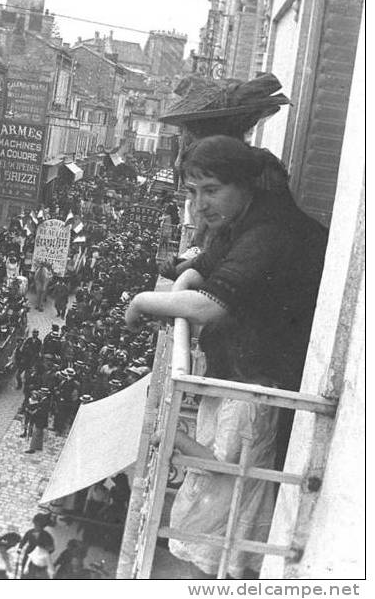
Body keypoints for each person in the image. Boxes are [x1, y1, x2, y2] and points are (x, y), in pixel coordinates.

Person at [124, 136, 327, 460]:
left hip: (275, 381)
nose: (200, 205)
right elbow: (199, 271)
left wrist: (140, 302)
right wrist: (178, 297)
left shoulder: (268, 230)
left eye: (212, 190)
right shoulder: (243, 218)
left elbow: (208, 306)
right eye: (193, 191)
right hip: (251, 375)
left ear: (245, 185)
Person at [158, 347, 280, 579]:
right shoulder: (258, 388)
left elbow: (220, 463)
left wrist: (175, 435)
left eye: (202, 351)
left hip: (222, 504)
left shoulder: (241, 402)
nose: (196, 355)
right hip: (236, 497)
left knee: (207, 570)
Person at [17, 513, 54, 577]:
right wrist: (20, 548)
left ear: (42, 527)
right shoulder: (30, 532)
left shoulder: (47, 536)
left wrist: (44, 550)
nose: (36, 527)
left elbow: (52, 548)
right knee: (25, 568)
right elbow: (24, 540)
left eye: (38, 526)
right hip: (29, 553)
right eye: (35, 525)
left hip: (39, 557)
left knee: (34, 572)